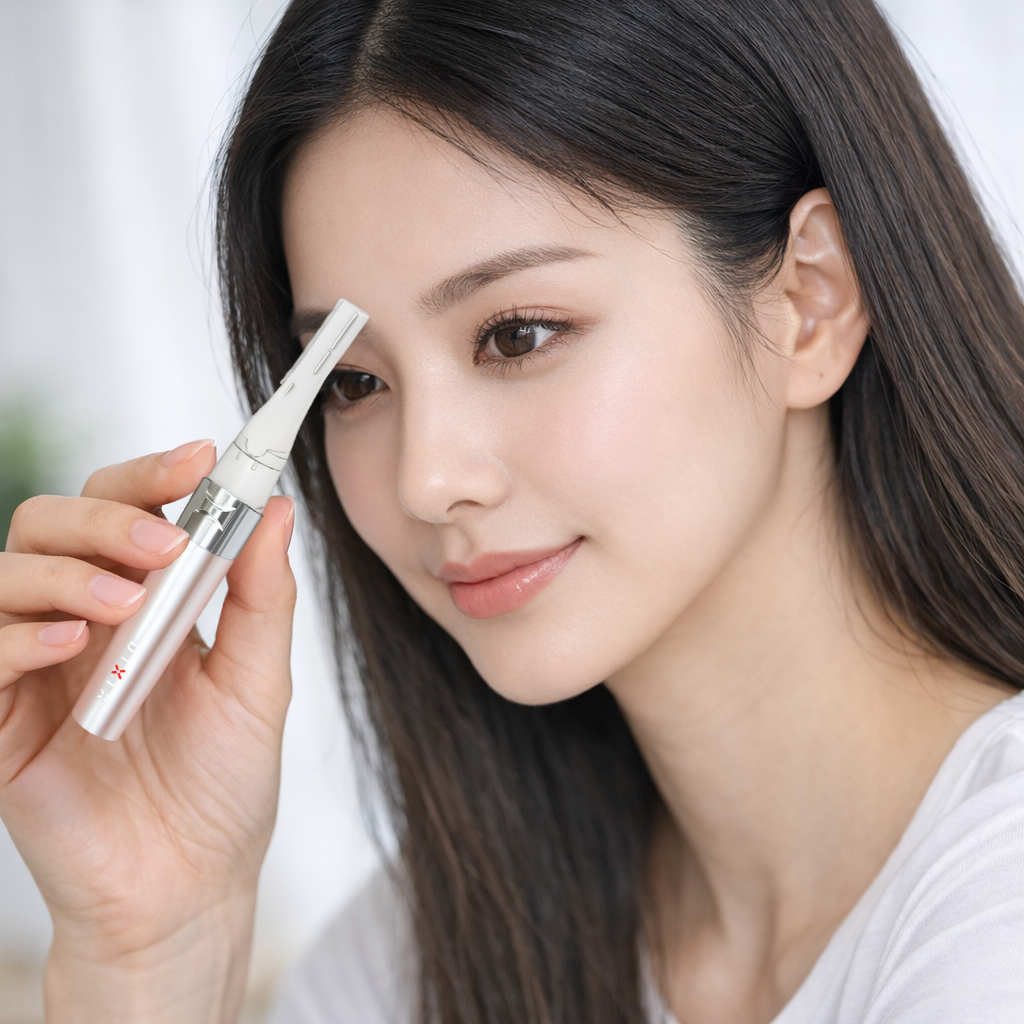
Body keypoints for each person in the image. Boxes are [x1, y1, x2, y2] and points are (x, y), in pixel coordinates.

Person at [2, 0, 1024, 1021]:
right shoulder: (419, 955)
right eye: (353, 384)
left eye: (519, 334)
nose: (425, 480)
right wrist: (150, 955)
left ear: (810, 298)